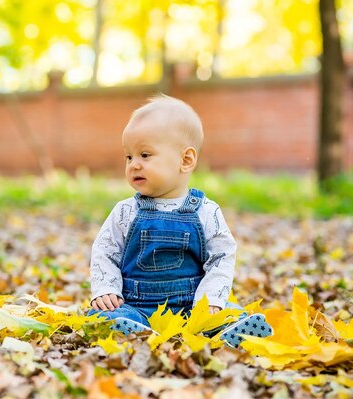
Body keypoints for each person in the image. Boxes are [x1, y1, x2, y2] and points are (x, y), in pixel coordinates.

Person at [87, 94, 271, 347]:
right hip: (137, 307)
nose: (133, 165)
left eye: (145, 155)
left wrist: (211, 301)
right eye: (128, 157)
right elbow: (105, 251)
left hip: (192, 307)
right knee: (104, 316)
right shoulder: (125, 211)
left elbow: (222, 257)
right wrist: (106, 289)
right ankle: (133, 331)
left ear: (185, 160)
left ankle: (231, 330)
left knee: (229, 312)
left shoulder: (205, 211)